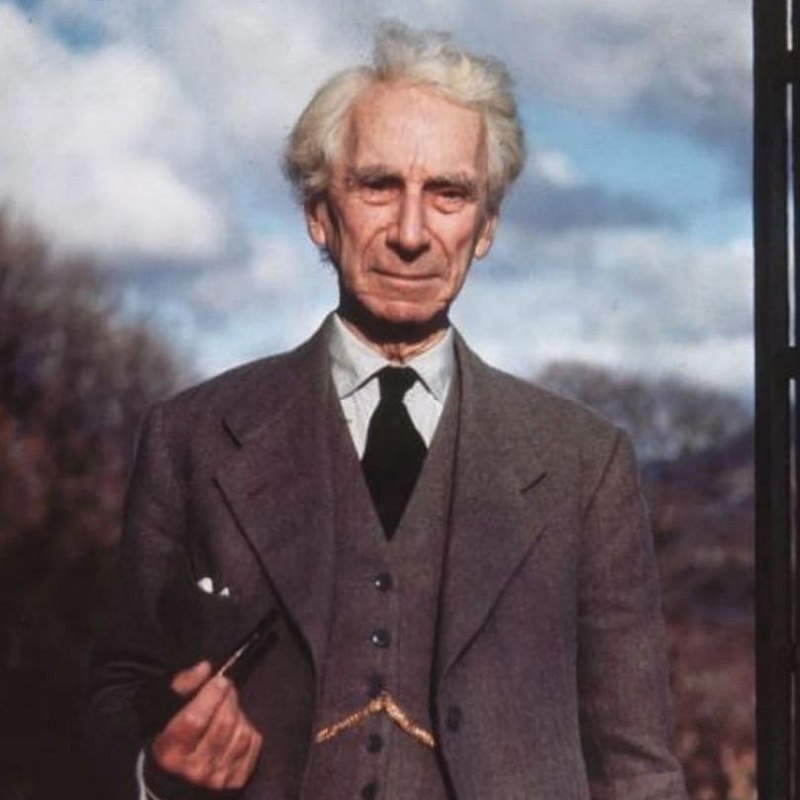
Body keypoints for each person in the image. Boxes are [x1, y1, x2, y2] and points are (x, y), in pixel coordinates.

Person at [85, 22, 688, 800]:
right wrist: (155, 772)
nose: (410, 233)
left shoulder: (585, 463)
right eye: (378, 186)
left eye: (448, 194)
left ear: (486, 227)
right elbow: (116, 695)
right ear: (319, 214)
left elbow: (636, 767)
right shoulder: (190, 437)